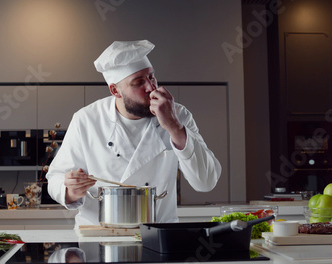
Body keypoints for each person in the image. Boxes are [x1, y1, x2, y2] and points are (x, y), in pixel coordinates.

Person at [46, 40, 221, 229]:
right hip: (98, 234)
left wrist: (175, 128)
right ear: (115, 91)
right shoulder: (87, 120)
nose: (150, 87)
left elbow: (206, 181)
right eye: (138, 82)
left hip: (157, 233)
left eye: (152, 77)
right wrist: (70, 191)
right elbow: (55, 178)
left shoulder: (178, 114)